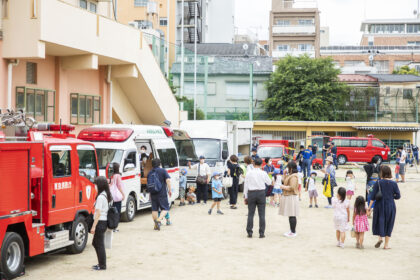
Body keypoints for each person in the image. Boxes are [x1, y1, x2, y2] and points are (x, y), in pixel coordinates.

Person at [368, 165, 401, 250]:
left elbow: (372, 197)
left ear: (381, 173)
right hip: (390, 205)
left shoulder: (378, 183)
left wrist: (369, 208)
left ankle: (380, 238)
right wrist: (391, 196)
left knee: (380, 221)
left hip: (379, 205)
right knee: (389, 223)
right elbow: (398, 196)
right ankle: (386, 245)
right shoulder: (394, 183)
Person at [244, 158, 272, 238]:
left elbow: (246, 185)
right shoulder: (263, 173)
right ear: (261, 164)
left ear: (253, 164)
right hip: (261, 193)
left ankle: (249, 232)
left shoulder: (249, 173)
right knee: (262, 214)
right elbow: (269, 182)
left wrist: (245, 196)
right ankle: (261, 233)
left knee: (250, 214)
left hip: (251, 193)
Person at [90, 176, 111, 271]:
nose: (95, 186)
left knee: (99, 244)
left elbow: (98, 213)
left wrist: (94, 226)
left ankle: (102, 265)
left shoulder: (101, 197)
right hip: (103, 222)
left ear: (100, 185)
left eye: (96, 184)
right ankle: (101, 263)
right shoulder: (106, 194)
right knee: (96, 243)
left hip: (100, 223)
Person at [148, 158, 172, 231]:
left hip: (153, 193)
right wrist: (170, 190)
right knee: (165, 208)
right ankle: (159, 220)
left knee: (154, 209)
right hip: (162, 193)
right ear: (159, 164)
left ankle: (156, 224)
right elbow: (168, 180)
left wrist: (150, 193)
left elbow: (149, 184)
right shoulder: (163, 171)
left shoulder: (150, 172)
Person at [279, 161, 300, 238]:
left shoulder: (294, 176)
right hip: (289, 196)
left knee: (292, 214)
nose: (287, 169)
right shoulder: (290, 175)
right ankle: (291, 230)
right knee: (290, 214)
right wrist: (284, 174)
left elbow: (292, 187)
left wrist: (282, 187)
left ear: (291, 168)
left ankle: (293, 231)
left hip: (291, 196)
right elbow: (284, 181)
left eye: (288, 167)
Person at [109, 162, 125, 233]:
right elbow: (119, 186)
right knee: (117, 212)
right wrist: (123, 194)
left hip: (112, 196)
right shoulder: (118, 175)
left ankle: (111, 226)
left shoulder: (111, 176)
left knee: (112, 211)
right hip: (117, 197)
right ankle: (115, 227)